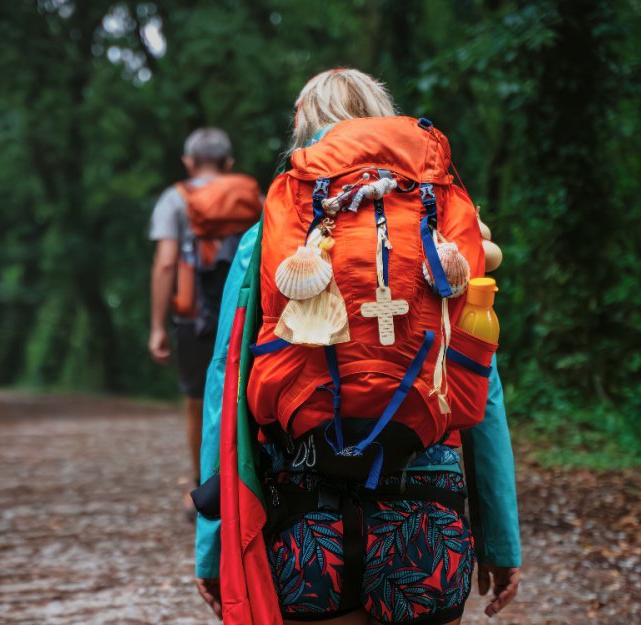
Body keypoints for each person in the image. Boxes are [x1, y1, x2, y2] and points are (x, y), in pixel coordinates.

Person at [194, 69, 521, 625]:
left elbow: (225, 384)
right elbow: (479, 384)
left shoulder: (273, 233)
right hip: (426, 518)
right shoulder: (439, 224)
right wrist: (500, 540)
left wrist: (214, 540)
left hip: (305, 522)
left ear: (302, 125)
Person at [149, 128, 259, 515]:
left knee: (197, 401)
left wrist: (158, 326)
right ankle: (247, 482)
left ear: (188, 162)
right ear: (229, 164)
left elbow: (166, 262)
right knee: (245, 396)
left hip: (195, 316)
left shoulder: (175, 200)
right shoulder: (251, 197)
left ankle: (202, 487)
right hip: (244, 312)